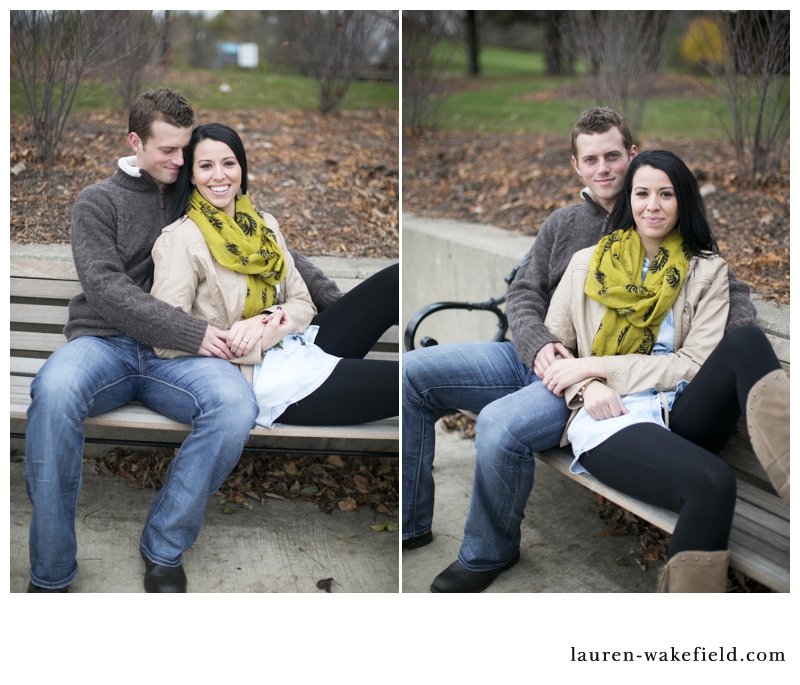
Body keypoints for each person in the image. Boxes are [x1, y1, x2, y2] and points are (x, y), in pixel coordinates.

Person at [402, 107, 758, 593]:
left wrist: (719, 357)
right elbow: (524, 292)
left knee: (500, 425)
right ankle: (410, 523)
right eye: (591, 160)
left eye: (613, 156)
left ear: (632, 157)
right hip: (536, 356)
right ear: (577, 166)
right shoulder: (565, 224)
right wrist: (540, 346)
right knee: (412, 373)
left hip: (587, 375)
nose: (603, 168)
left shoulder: (660, 220)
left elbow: (728, 294)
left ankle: (487, 552)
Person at [24, 88, 343, 593]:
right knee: (54, 391)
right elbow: (106, 289)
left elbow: (266, 242)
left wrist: (331, 299)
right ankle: (51, 572)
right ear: (135, 142)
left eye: (185, 149)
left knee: (234, 405)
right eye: (168, 150)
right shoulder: (97, 202)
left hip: (175, 361)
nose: (180, 160)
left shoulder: (187, 189)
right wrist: (192, 332)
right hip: (106, 345)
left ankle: (163, 546)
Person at [540, 150, 789, 592]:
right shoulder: (587, 264)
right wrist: (588, 384)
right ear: (628, 201)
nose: (652, 205)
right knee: (712, 483)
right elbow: (551, 351)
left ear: (683, 202)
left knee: (747, 342)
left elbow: (693, 365)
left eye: (666, 194)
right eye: (642, 193)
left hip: (682, 412)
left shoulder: (707, 270)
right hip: (613, 418)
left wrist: (598, 364)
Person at [149, 123, 398, 433]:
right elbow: (166, 335)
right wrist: (253, 343)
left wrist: (264, 321)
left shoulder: (265, 225)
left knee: (394, 281)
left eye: (228, 163)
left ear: (242, 167)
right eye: (206, 166)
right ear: (191, 175)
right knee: (409, 381)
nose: (219, 175)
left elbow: (302, 303)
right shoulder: (181, 239)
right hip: (261, 376)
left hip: (293, 343)